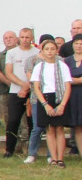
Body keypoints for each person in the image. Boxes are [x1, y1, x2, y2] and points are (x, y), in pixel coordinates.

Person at [30, 38, 72, 168]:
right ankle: (53, 158)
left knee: (59, 129)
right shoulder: (39, 67)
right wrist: (45, 104)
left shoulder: (62, 66)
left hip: (60, 97)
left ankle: (60, 158)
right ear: (42, 51)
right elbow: (36, 87)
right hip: (45, 98)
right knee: (49, 129)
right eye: (47, 49)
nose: (49, 52)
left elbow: (68, 86)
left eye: (52, 49)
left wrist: (62, 105)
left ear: (56, 51)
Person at [4, 28, 39, 158]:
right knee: (13, 121)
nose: (25, 40)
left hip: (33, 91)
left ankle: (32, 151)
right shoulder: (12, 53)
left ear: (32, 38)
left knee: (32, 122)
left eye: (27, 37)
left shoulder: (38, 52)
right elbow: (8, 72)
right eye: (22, 37)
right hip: (15, 91)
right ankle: (9, 150)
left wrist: (29, 87)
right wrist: (22, 84)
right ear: (19, 38)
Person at [65, 35, 82, 154]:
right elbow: (64, 78)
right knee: (77, 126)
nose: (79, 46)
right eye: (76, 43)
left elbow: (69, 79)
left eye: (81, 44)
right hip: (73, 96)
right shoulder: (67, 60)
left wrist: (73, 80)